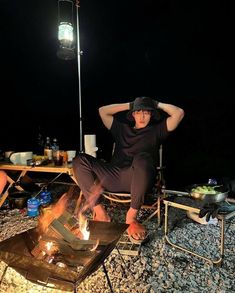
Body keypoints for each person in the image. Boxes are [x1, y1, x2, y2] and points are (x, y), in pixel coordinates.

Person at [72, 96, 184, 244]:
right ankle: (101, 214)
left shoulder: (157, 131)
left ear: (151, 114)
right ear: (133, 114)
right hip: (114, 175)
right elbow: (103, 111)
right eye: (138, 112)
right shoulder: (121, 129)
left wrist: (156, 104)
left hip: (139, 178)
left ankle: (131, 218)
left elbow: (179, 113)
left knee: (142, 158)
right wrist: (131, 104)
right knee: (80, 160)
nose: (142, 116)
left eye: (147, 112)